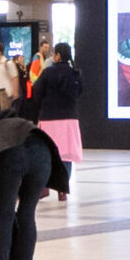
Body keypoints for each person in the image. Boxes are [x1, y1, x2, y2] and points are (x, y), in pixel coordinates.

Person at [0, 106, 67, 260]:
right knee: (27, 213)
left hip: (12, 154)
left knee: (5, 214)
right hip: (42, 152)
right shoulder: (17, 122)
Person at [26, 41, 83, 203]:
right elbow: (79, 93)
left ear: (58, 56)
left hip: (49, 117)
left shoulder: (48, 72)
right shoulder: (75, 73)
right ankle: (62, 190)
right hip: (69, 118)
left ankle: (44, 187)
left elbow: (37, 91)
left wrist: (43, 104)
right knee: (66, 155)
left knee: (46, 153)